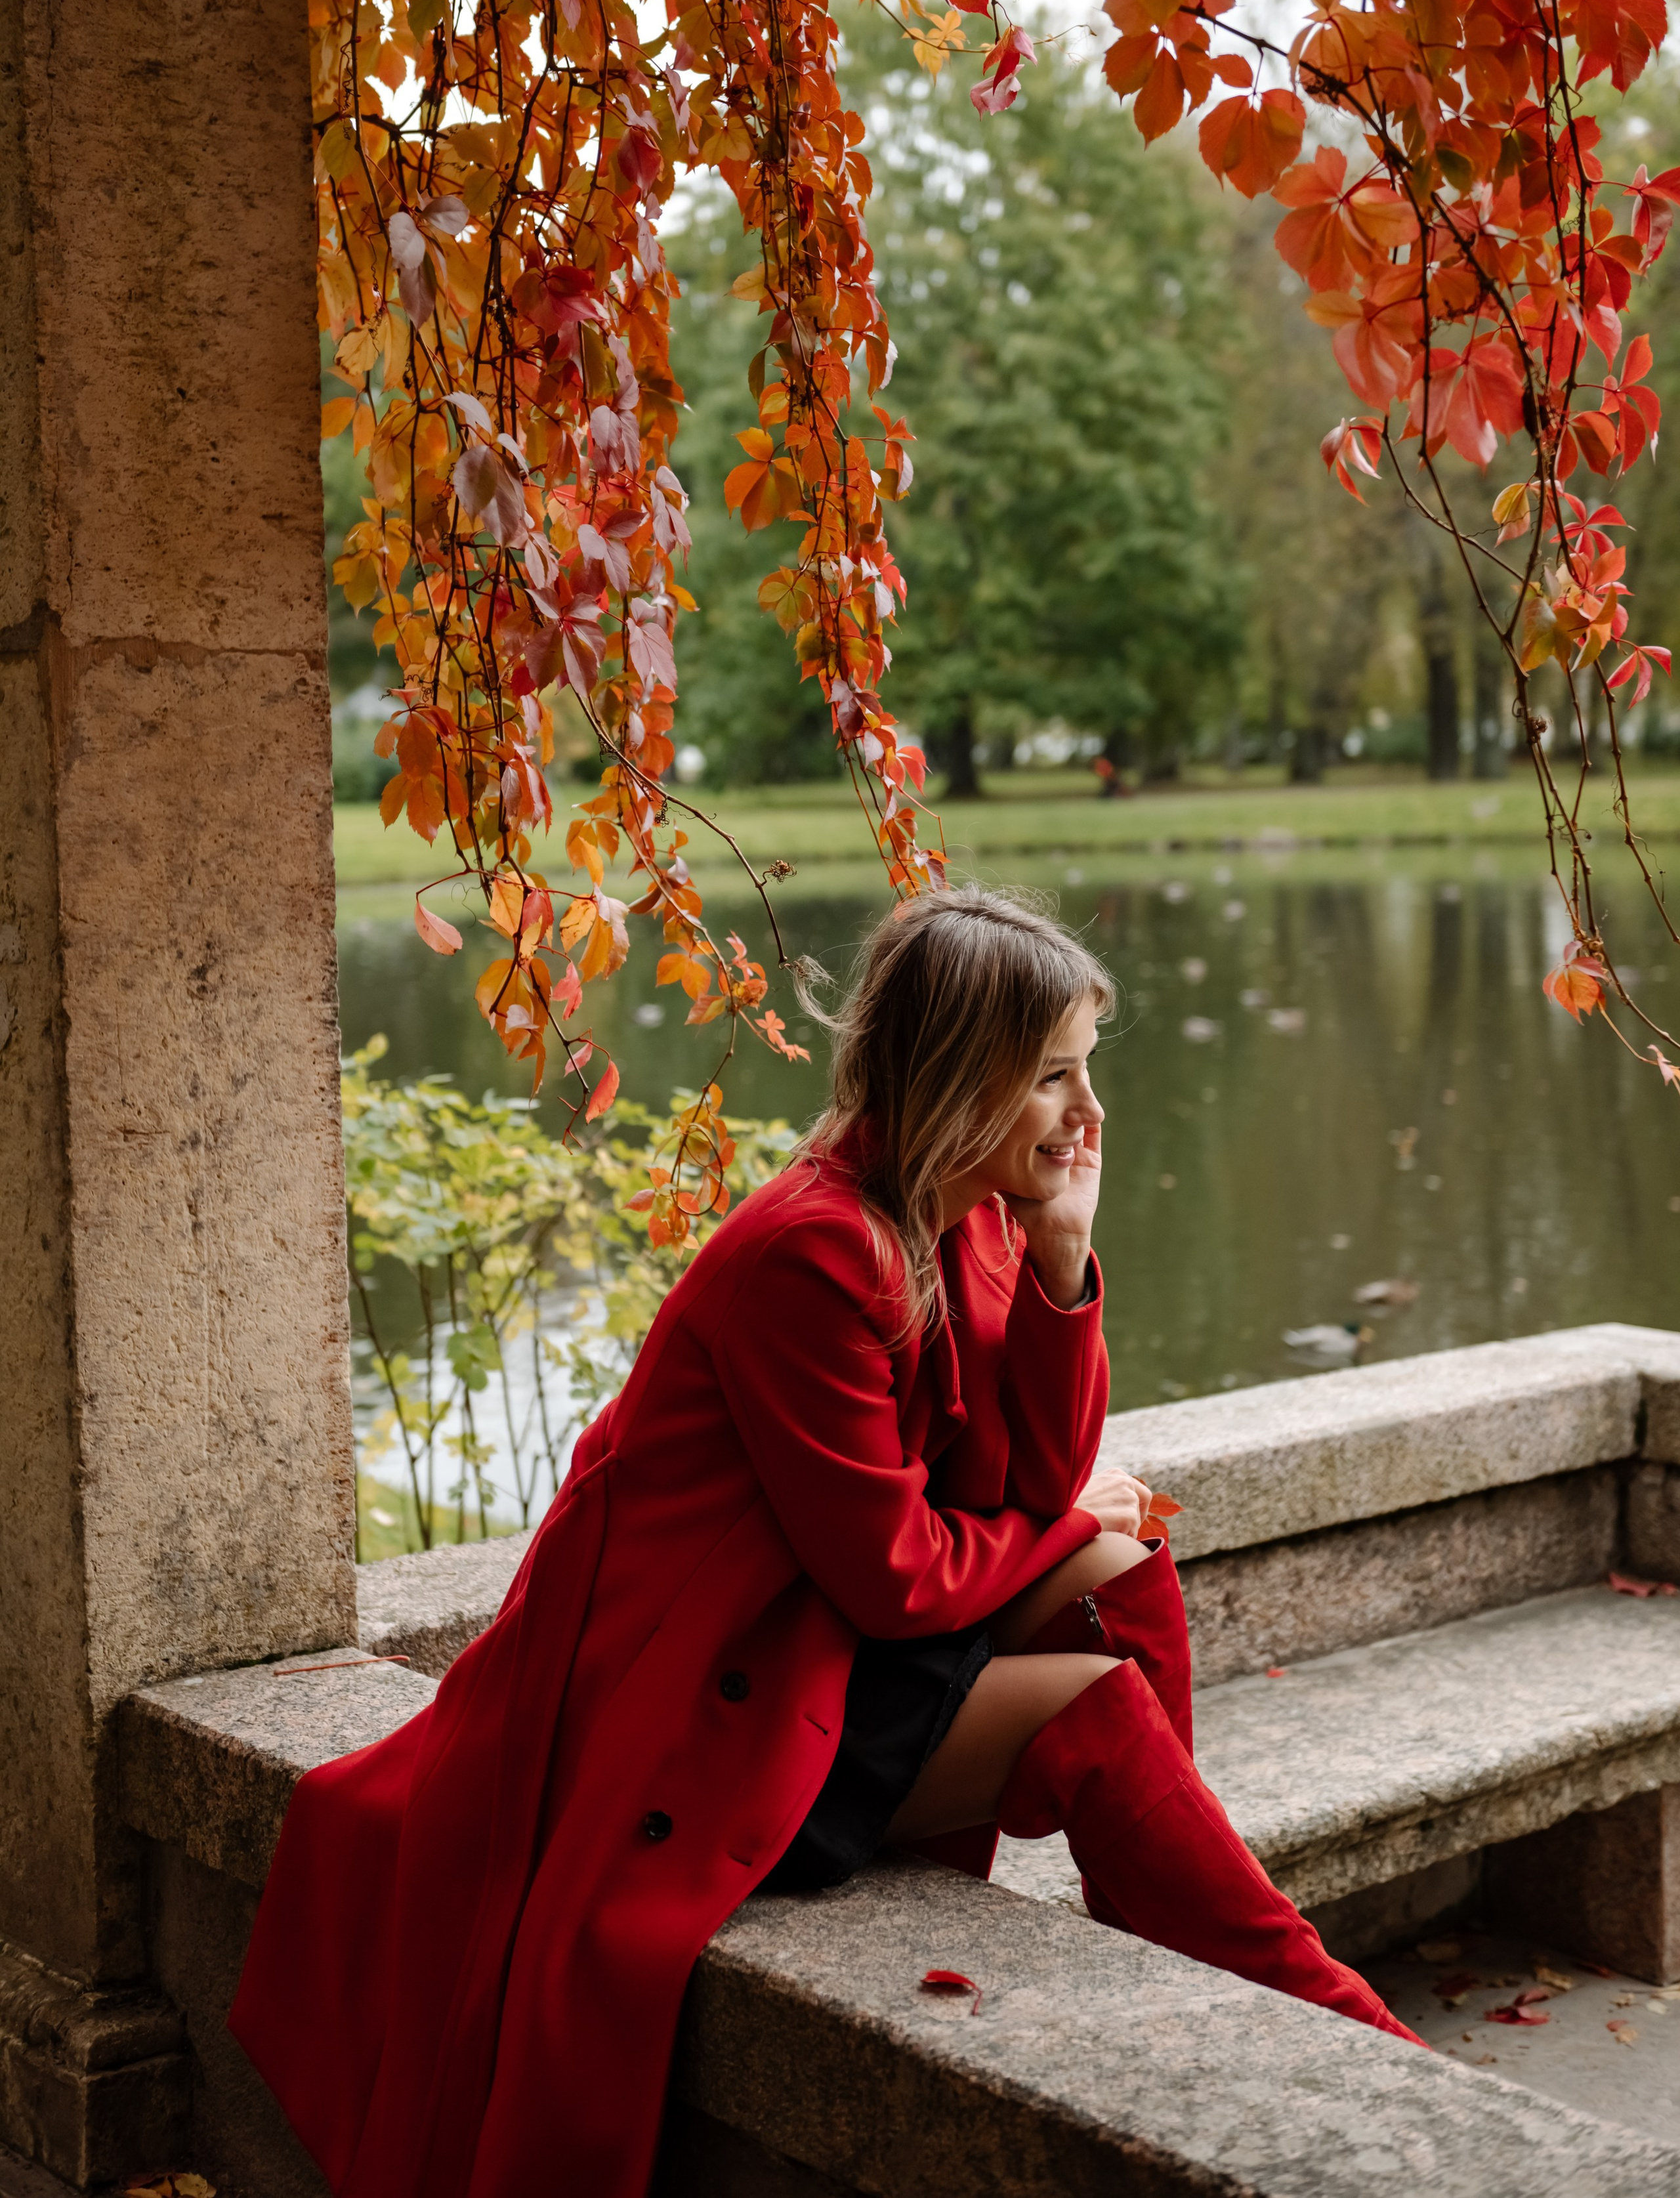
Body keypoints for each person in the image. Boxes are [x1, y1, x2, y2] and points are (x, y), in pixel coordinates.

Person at [230, 888, 1421, 2198]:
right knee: (1093, 1696)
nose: (1086, 1112)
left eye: (1085, 1070)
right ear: (960, 1077)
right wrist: (1070, 1517)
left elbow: (1033, 1476)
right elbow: (902, 1578)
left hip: (824, 1644)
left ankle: (1173, 1937)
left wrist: (1064, 1261)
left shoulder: (973, 1211)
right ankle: (1335, 2026)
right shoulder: (812, 1254)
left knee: (1121, 1567)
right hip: (708, 1719)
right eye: (1052, 1076)